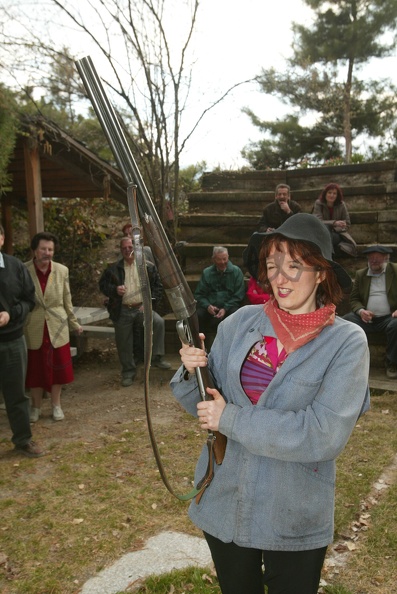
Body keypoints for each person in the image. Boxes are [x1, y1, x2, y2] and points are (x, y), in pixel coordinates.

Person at [170, 213, 370, 594]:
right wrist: (192, 370)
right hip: (225, 500)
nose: (280, 278)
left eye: (294, 266)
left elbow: (322, 434)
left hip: (292, 510)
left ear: (322, 272)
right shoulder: (239, 323)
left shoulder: (347, 343)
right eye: (273, 265)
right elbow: (206, 404)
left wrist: (231, 419)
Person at [25, 232, 83, 423]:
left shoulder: (62, 270)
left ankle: (56, 405)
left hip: (57, 327)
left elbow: (67, 300)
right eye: (43, 249)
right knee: (35, 370)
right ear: (35, 250)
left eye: (50, 249)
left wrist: (74, 323)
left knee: (57, 370)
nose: (47, 253)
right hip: (33, 327)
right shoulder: (24, 270)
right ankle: (35, 407)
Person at [99, 236, 171, 387]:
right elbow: (103, 286)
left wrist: (149, 303)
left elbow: (158, 288)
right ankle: (128, 372)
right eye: (124, 248)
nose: (128, 251)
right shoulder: (114, 268)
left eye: (130, 247)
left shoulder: (148, 267)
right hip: (123, 309)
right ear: (121, 250)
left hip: (141, 308)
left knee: (158, 322)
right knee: (123, 341)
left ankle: (157, 357)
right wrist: (114, 289)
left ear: (136, 249)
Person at [0, 224, 44, 457]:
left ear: (2, 237)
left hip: (12, 341)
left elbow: (30, 301)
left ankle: (22, 440)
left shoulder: (15, 266)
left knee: (16, 394)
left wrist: (10, 315)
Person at [343, 245, 397, 379]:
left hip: (389, 317)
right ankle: (346, 362)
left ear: (386, 258)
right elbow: (354, 299)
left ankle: (392, 363)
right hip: (367, 319)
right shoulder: (361, 274)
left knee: (396, 325)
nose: (373, 261)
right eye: (371, 258)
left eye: (377, 258)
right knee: (345, 321)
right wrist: (361, 311)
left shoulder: (395, 271)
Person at [194, 246, 245, 335]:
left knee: (235, 314)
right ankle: (201, 344)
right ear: (213, 259)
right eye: (219, 260)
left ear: (228, 257)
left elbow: (238, 295)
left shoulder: (236, 272)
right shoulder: (207, 272)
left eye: (224, 259)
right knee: (198, 315)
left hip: (229, 307)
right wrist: (208, 306)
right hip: (211, 307)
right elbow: (199, 295)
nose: (222, 262)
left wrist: (225, 308)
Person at [313, 182, 357, 257]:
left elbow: (347, 223)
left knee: (329, 231)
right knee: (327, 228)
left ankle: (328, 254)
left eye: (334, 193)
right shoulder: (318, 204)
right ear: (325, 194)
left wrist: (341, 226)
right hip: (321, 233)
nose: (332, 195)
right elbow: (317, 221)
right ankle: (330, 253)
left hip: (337, 234)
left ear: (337, 195)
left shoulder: (341, 205)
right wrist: (334, 223)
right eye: (329, 193)